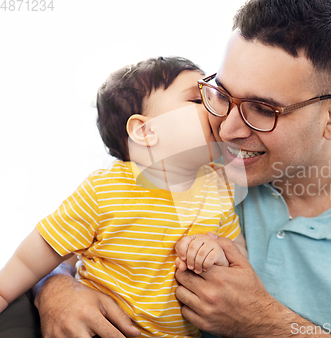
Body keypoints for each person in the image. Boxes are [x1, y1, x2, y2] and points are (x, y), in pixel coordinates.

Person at [0, 1, 331, 337]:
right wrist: (57, 290)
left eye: (263, 109)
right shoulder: (189, 150)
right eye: (221, 93)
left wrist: (265, 323)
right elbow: (77, 231)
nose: (225, 129)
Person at [0, 56, 247, 338]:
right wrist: (4, 292)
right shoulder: (104, 190)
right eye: (196, 100)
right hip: (98, 328)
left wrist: (214, 252)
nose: (215, 109)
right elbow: (38, 254)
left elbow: (237, 257)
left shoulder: (219, 186)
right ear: (145, 131)